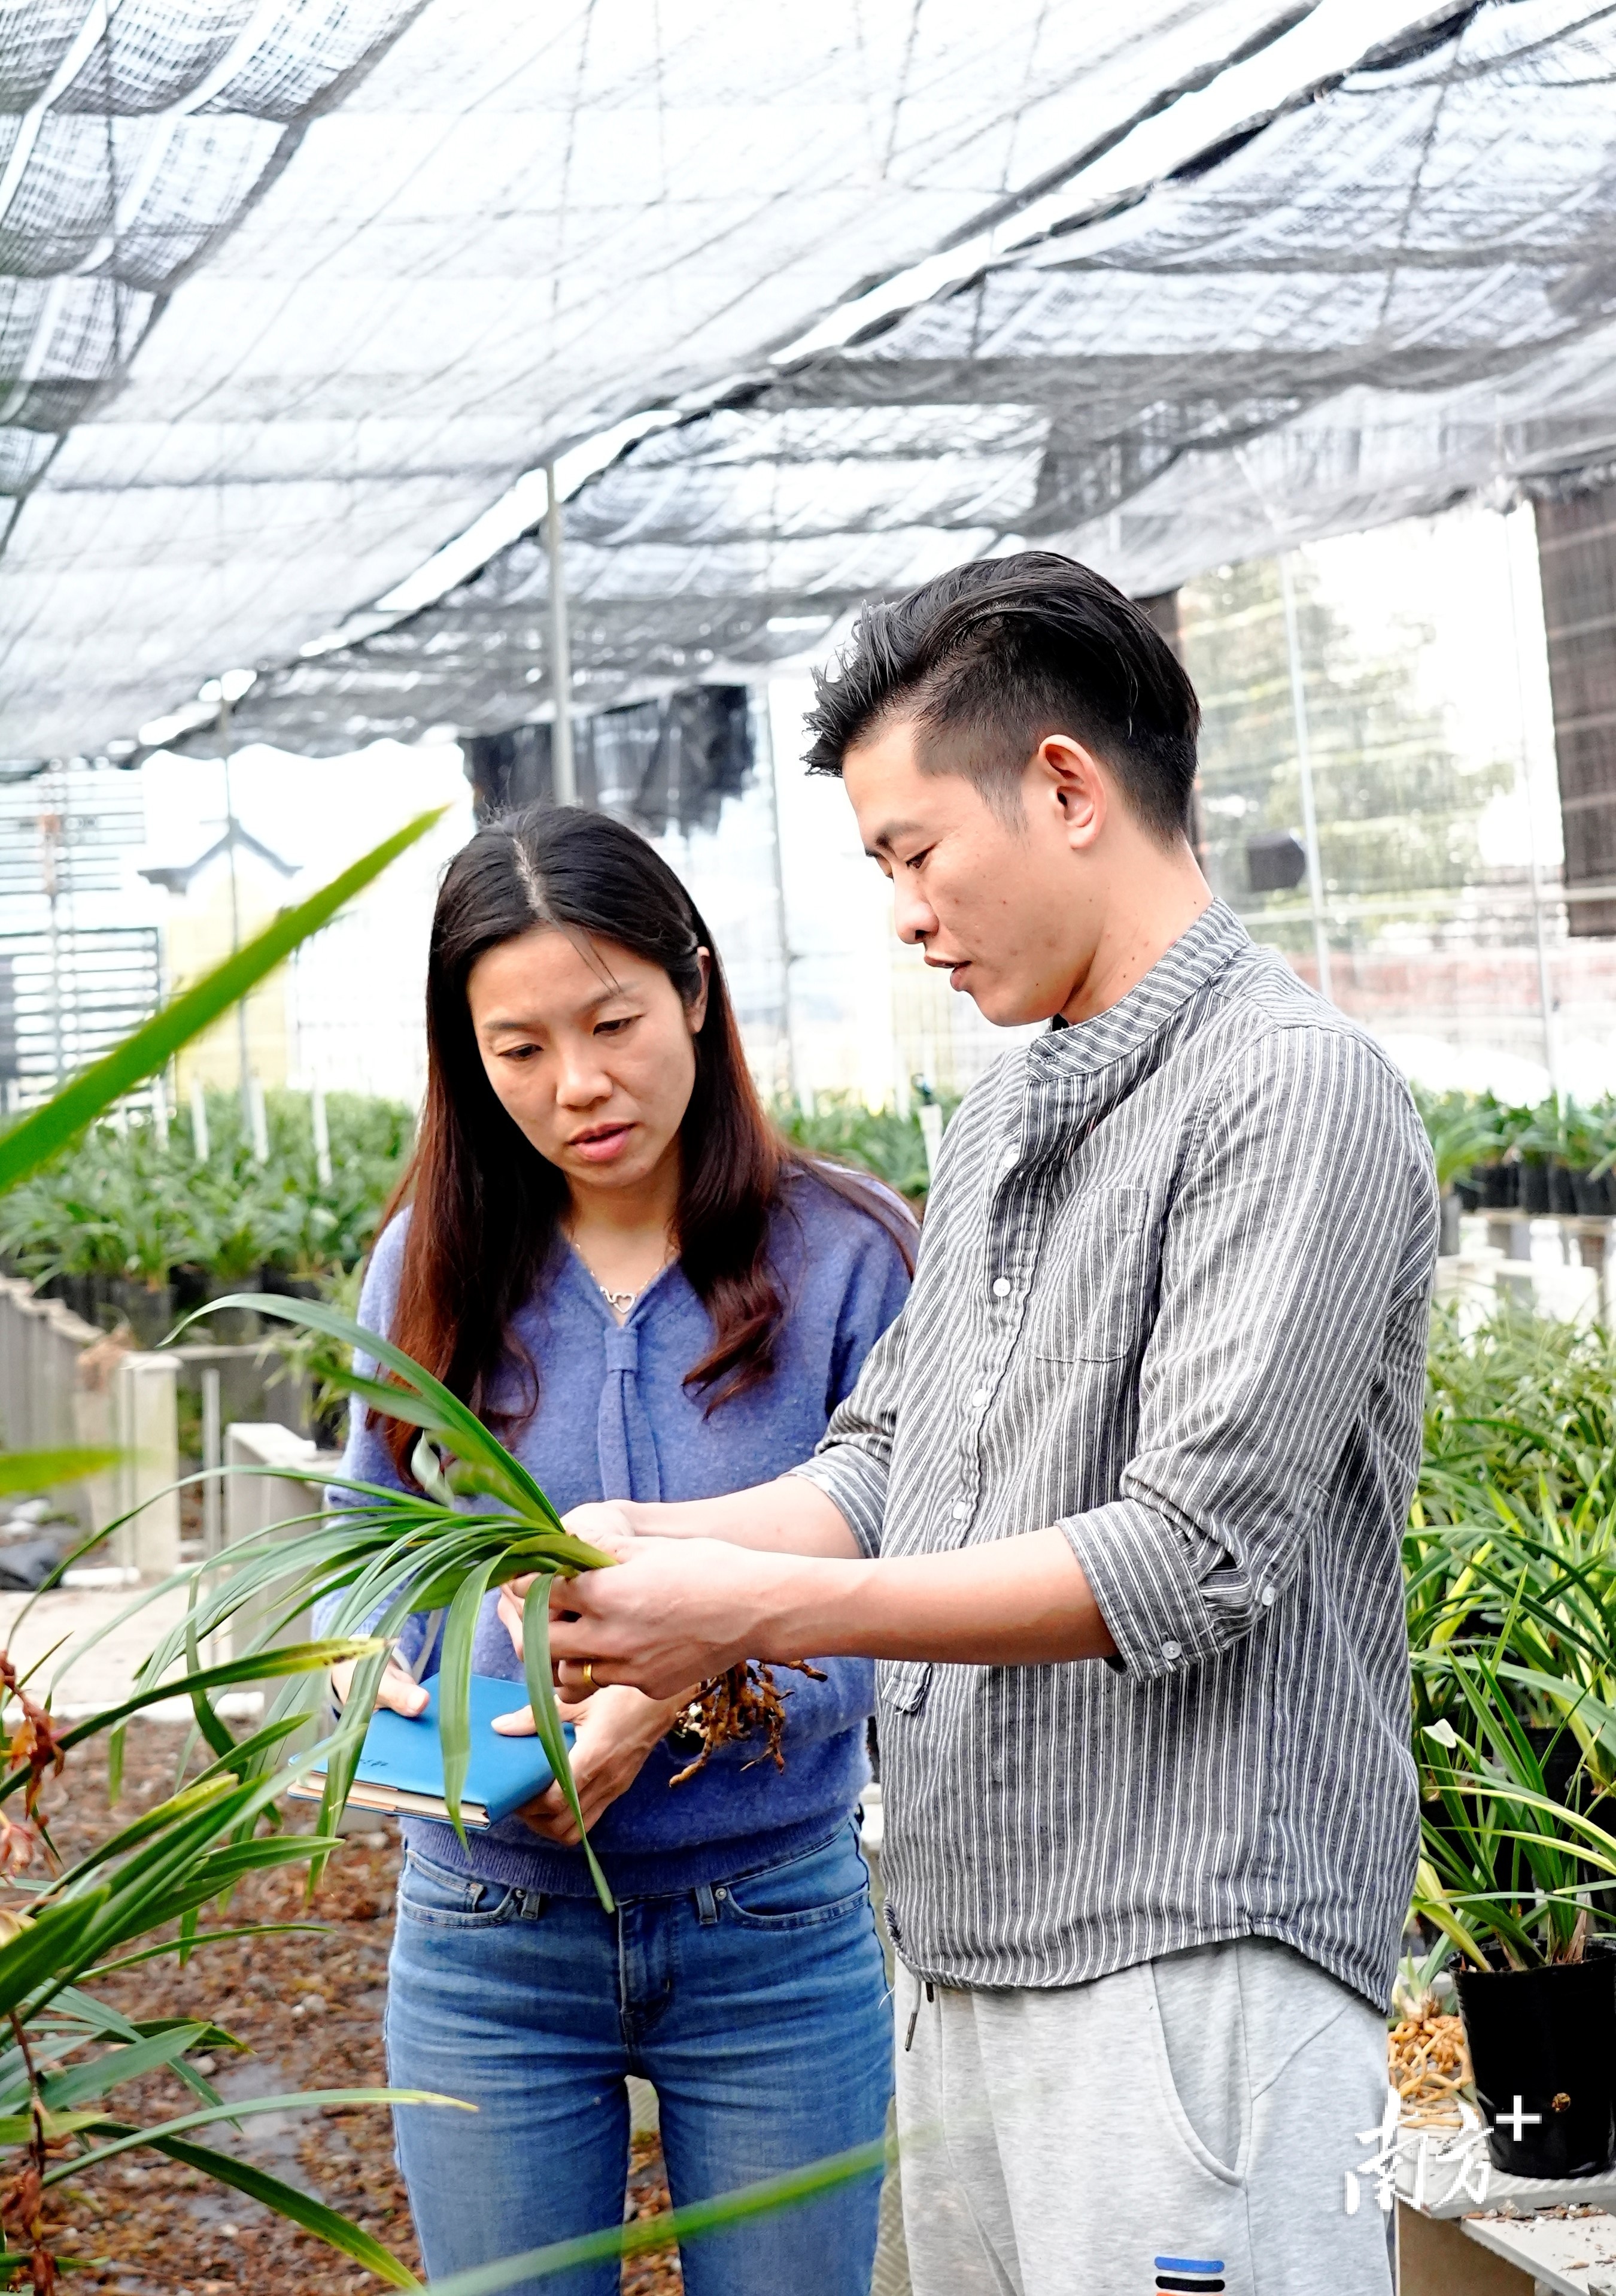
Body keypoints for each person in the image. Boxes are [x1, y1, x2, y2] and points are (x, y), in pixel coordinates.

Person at [530, 554, 1438, 2295]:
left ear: (1066, 788)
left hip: (1184, 1974)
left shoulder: (1287, 1090)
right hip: (962, 1959)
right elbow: (893, 1461)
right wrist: (656, 1549)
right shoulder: (1010, 1098)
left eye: (912, 850)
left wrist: (746, 1609)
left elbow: (1186, 1555)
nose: (904, 910)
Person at [326, 805, 911, 2296]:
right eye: (517, 1048)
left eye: (613, 1020)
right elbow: (370, 1547)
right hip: (485, 1933)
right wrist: (385, 1686)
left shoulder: (848, 1254)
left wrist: (686, 1689)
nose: (579, 1082)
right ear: (468, 1058)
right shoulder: (429, 1265)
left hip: (770, 1923)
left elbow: (906, 1590)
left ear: (697, 993)